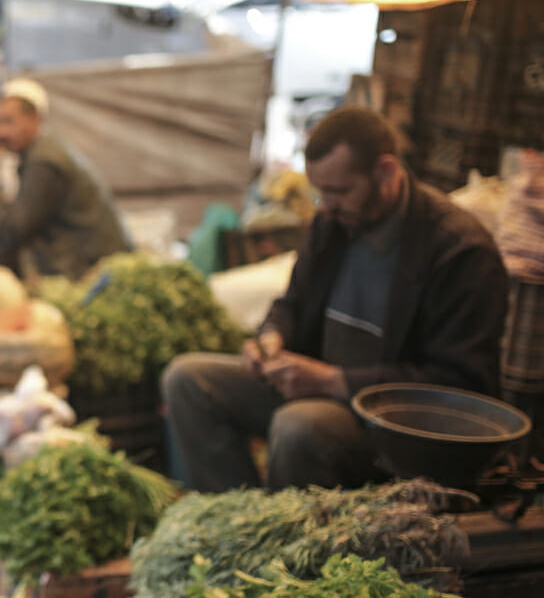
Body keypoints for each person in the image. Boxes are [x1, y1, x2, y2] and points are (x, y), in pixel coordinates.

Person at [164, 106, 508, 492]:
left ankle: (290, 529)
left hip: (393, 428)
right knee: (188, 381)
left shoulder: (459, 252)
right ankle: (234, 515)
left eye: (340, 191)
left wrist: (334, 382)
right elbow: (292, 303)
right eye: (321, 191)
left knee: (297, 426)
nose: (325, 205)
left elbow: (460, 385)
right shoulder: (334, 223)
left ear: (386, 171)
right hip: (318, 390)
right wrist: (271, 337)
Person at [0, 78, 131, 280]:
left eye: (8, 122)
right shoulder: (38, 152)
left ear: (35, 119)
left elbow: (13, 233)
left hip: (91, 269)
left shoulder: (44, 162)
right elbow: (24, 218)